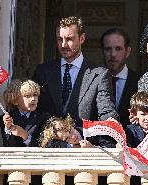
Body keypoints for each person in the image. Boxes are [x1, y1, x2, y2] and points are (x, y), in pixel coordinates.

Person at [32, 16, 118, 147]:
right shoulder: (43, 71)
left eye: (69, 39)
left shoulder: (100, 74)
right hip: (48, 151)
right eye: (60, 39)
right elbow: (35, 112)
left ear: (82, 38)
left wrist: (109, 128)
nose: (63, 45)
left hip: (83, 150)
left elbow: (106, 112)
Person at [0, 79, 49, 185]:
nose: (33, 99)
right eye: (27, 96)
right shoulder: (7, 118)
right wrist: (7, 128)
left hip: (36, 175)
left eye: (35, 95)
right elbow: (9, 146)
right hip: (14, 175)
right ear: (15, 100)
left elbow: (44, 146)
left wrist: (25, 136)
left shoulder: (44, 117)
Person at [100, 28, 140, 129]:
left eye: (118, 49)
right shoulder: (92, 81)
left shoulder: (140, 81)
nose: (113, 54)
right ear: (102, 52)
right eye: (108, 49)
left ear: (127, 51)